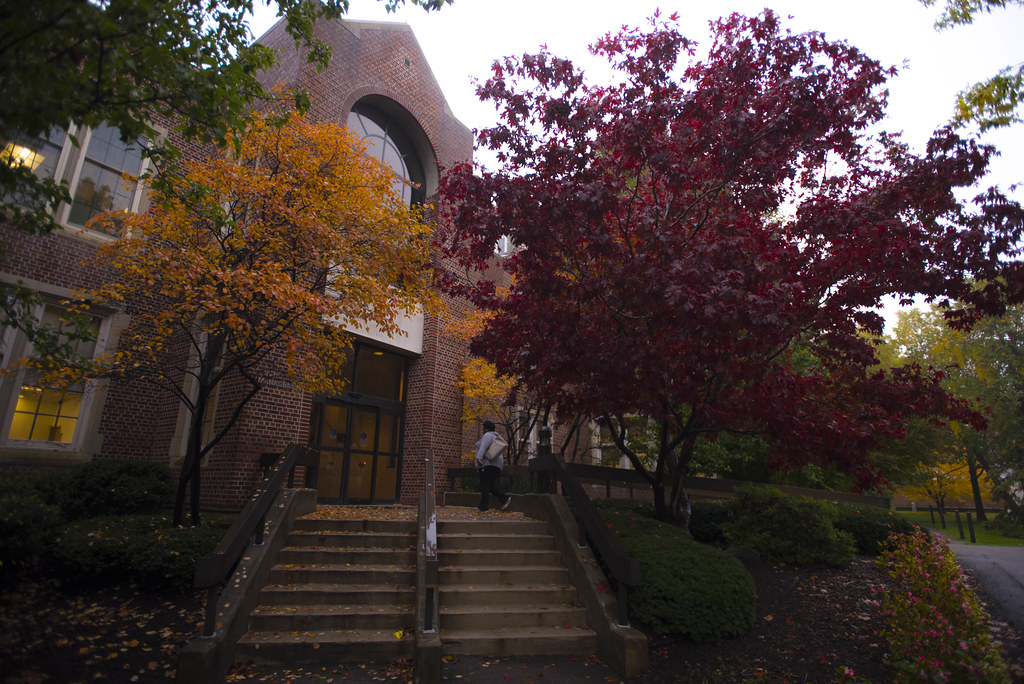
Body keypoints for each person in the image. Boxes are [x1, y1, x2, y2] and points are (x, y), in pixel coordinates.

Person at [474, 420, 512, 512]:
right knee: (491, 486)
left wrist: (479, 458)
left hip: (487, 464)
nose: (483, 429)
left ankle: (484, 507)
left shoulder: (487, 435)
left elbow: (483, 446)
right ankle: (504, 499)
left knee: (484, 486)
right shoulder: (496, 436)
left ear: (486, 428)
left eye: (483, 428)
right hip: (497, 465)